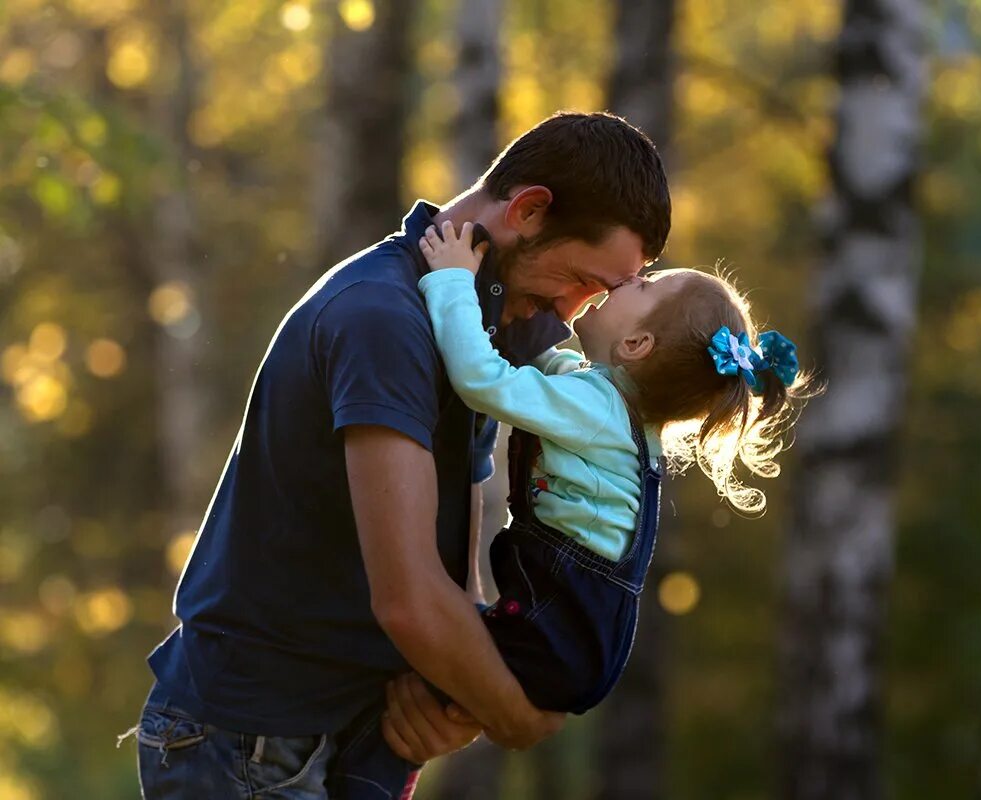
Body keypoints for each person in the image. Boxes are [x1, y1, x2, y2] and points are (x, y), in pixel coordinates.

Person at [132, 112, 671, 799]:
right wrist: (512, 715)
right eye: (581, 280)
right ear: (530, 210)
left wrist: (456, 703)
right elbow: (410, 600)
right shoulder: (381, 318)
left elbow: (454, 571)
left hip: (356, 737)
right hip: (249, 743)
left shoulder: (483, 323)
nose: (574, 312)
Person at [331, 219, 809, 795]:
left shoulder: (596, 409)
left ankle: (356, 780)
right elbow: (548, 369)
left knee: (407, 673)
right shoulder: (619, 411)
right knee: (432, 691)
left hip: (556, 626)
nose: (625, 280)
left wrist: (454, 282)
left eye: (642, 286)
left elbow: (484, 379)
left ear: (636, 345)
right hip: (578, 636)